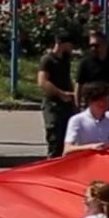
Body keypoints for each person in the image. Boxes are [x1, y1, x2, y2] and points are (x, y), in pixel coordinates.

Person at [39, 30, 80, 158]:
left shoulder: (65, 59)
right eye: (70, 45)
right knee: (55, 139)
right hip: (53, 105)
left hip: (67, 105)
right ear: (62, 44)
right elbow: (42, 81)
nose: (72, 48)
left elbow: (67, 79)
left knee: (68, 140)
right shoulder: (47, 60)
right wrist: (61, 93)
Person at [64, 83, 109, 149]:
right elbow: (67, 149)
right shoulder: (77, 120)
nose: (105, 103)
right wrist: (90, 147)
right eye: (101, 100)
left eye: (107, 100)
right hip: (88, 161)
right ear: (90, 101)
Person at [77, 31, 109, 117]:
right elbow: (79, 86)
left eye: (96, 45)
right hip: (92, 109)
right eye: (91, 46)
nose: (93, 48)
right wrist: (77, 106)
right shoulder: (85, 63)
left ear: (105, 45)